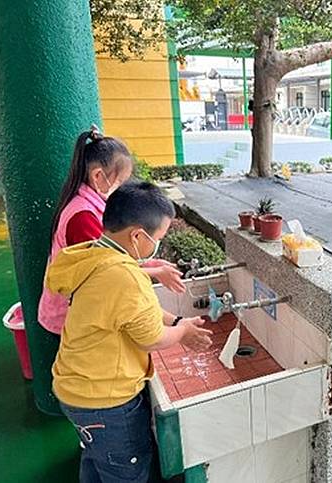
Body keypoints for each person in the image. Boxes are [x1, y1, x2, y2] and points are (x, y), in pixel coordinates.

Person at [48, 181, 213, 483]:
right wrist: (183, 333)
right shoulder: (124, 275)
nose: (158, 245)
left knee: (96, 458)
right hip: (106, 404)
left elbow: (137, 313)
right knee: (126, 470)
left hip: (76, 390)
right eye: (159, 238)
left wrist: (176, 321)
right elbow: (151, 338)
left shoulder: (93, 256)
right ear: (138, 235)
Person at [38, 126, 185, 336]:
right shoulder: (82, 218)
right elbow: (103, 273)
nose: (124, 189)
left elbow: (112, 256)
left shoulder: (92, 204)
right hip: (68, 316)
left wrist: (151, 263)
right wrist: (156, 273)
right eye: (121, 182)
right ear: (98, 176)